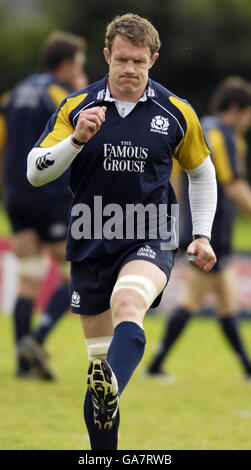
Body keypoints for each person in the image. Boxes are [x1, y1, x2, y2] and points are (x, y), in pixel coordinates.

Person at [27, 13, 217, 450]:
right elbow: (35, 171)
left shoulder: (175, 112)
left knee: (128, 301)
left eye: (140, 62)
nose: (130, 70)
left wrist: (201, 234)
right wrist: (74, 141)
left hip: (148, 233)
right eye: (122, 60)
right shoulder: (76, 106)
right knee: (99, 382)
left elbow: (202, 174)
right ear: (107, 56)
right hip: (90, 237)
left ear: (153, 59)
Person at [146, 76, 251, 381]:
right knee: (194, 300)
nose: (248, 121)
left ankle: (246, 368)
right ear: (235, 108)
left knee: (226, 300)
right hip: (212, 231)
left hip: (198, 227)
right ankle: (154, 366)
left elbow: (176, 177)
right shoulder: (223, 136)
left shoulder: (199, 127)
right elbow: (233, 186)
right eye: (248, 113)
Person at [0, 31, 87, 379]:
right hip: (49, 197)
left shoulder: (13, 94)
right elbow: (81, 136)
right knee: (75, 276)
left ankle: (24, 363)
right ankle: (36, 339)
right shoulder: (59, 93)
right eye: (79, 66)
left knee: (29, 279)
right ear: (66, 65)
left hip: (16, 198)